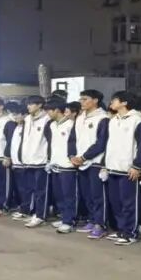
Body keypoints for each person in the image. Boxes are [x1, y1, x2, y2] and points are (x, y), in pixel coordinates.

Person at [103, 91, 141, 246]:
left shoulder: (137, 120)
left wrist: (138, 166)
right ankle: (121, 230)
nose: (111, 103)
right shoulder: (113, 120)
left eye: (114, 100)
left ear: (124, 102)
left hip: (128, 169)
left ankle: (131, 233)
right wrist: (105, 165)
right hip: (112, 167)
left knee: (129, 203)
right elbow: (109, 144)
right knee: (116, 202)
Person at [71, 89, 111, 239]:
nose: (81, 102)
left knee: (98, 195)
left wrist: (84, 157)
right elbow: (73, 138)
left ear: (95, 100)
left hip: (95, 162)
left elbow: (101, 143)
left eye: (85, 99)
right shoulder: (80, 117)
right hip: (80, 162)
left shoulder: (103, 118)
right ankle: (92, 219)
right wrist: (72, 156)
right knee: (87, 194)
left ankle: (101, 224)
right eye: (81, 99)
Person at [41, 98, 80, 233]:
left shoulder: (71, 124)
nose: (47, 114)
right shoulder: (52, 125)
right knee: (59, 195)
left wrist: (73, 159)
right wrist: (50, 160)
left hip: (68, 165)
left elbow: (75, 143)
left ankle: (70, 221)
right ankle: (64, 217)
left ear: (57, 110)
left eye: (49, 111)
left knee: (69, 195)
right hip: (55, 164)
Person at [14, 96, 51, 224]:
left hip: (41, 161)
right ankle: (31, 211)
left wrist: (48, 158)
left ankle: (41, 215)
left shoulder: (47, 119)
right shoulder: (27, 119)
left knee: (41, 190)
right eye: (27, 104)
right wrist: (22, 156)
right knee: (29, 189)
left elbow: (50, 141)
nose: (28, 106)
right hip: (27, 160)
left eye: (31, 104)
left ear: (40, 105)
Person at [3, 102, 24, 212]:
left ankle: (26, 208)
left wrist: (8, 157)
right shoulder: (16, 127)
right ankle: (21, 206)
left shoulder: (23, 127)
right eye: (14, 114)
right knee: (19, 187)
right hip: (15, 161)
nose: (15, 117)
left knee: (25, 187)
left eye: (17, 114)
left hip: (24, 162)